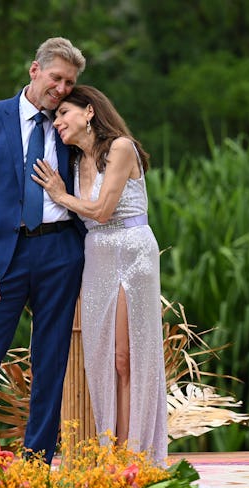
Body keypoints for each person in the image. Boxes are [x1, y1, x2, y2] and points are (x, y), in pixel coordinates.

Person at [0, 37, 87, 463]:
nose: (62, 88)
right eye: (56, 77)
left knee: (51, 361)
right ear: (35, 70)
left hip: (61, 252)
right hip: (3, 258)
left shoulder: (70, 125)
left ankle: (37, 461)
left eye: (70, 82)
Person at [32, 84, 168, 464]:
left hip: (131, 252)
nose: (57, 121)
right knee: (102, 359)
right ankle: (113, 452)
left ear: (88, 111)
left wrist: (60, 196)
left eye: (63, 113)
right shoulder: (75, 163)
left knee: (126, 357)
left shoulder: (121, 148)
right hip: (98, 258)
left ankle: (132, 456)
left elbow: (104, 210)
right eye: (55, 116)